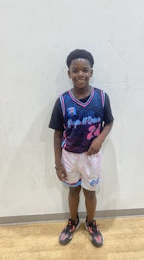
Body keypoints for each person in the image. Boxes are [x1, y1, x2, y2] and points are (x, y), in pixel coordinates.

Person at [49, 49, 114, 247]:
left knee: (90, 192)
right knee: (73, 191)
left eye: (84, 70)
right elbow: (58, 133)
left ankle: (91, 223)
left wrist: (99, 140)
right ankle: (73, 221)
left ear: (91, 72)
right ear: (69, 73)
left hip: (91, 156)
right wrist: (58, 164)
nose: (80, 74)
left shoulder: (102, 98)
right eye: (75, 70)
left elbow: (109, 123)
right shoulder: (62, 101)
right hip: (69, 156)